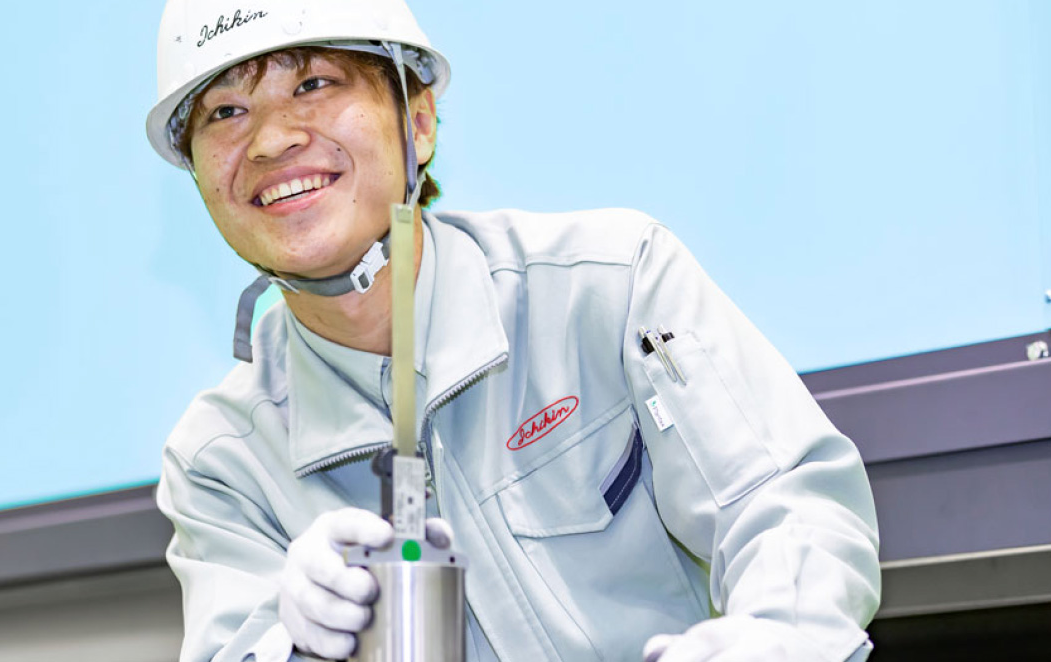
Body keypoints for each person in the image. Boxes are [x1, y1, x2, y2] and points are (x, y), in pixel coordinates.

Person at [146, 1, 882, 660]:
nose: (271, 140)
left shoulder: (608, 284)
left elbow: (784, 504)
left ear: (419, 122)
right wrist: (294, 643)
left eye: (313, 84)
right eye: (225, 112)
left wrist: (781, 635)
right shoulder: (222, 460)